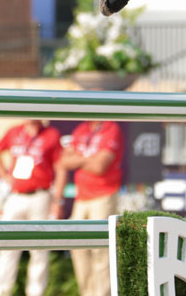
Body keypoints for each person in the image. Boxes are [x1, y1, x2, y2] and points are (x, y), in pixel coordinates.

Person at [0, 119, 64, 296]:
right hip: (16, 194)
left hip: (41, 195)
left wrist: (57, 201)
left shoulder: (51, 134)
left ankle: (36, 292)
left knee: (39, 247)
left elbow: (60, 167)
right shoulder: (14, 131)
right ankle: (2, 291)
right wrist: (4, 175)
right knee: (7, 245)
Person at [52, 120, 124, 296]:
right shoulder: (81, 129)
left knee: (101, 249)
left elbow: (100, 167)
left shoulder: (111, 128)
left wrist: (78, 159)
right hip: (81, 197)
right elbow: (63, 161)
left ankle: (104, 294)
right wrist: (88, 160)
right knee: (78, 247)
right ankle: (87, 293)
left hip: (104, 195)